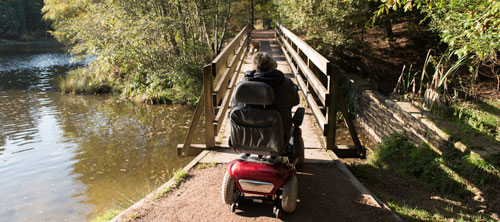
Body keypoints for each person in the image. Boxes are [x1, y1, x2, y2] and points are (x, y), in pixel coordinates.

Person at [237, 52, 300, 140]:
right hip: (278, 135)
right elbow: (295, 101)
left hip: (246, 135)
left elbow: (235, 104)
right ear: (273, 66)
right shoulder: (286, 83)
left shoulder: (243, 85)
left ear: (254, 67)